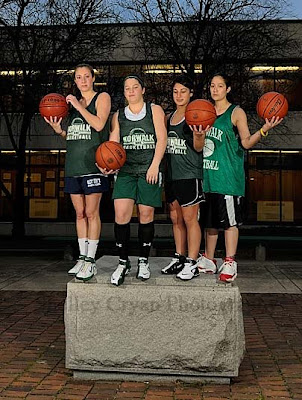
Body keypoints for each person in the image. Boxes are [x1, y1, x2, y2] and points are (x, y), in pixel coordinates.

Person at [194, 73, 283, 282]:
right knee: (210, 223)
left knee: (229, 223)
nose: (215, 89)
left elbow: (245, 143)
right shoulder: (204, 111)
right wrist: (198, 134)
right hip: (208, 177)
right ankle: (209, 259)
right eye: (212, 86)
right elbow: (198, 148)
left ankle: (230, 261)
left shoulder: (236, 112)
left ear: (228, 89)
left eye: (220, 86)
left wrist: (264, 130)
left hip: (228, 178)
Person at [45, 64, 111, 281]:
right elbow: (75, 135)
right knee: (80, 213)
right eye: (78, 77)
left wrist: (78, 105)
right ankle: (82, 258)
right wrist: (60, 131)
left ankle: (91, 260)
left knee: (92, 213)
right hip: (73, 165)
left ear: (93, 79)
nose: (82, 81)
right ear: (75, 81)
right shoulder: (71, 106)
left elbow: (99, 125)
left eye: (86, 77)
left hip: (93, 166)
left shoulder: (101, 98)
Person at [99, 74, 167, 286]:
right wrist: (107, 164)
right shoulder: (118, 115)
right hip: (126, 170)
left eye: (135, 87)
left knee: (146, 213)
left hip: (149, 168)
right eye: (127, 87)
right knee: (121, 214)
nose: (130, 91)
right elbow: (113, 143)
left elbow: (162, 138)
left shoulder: (154, 110)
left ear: (143, 90)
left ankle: (144, 261)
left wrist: (155, 165)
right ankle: (122, 262)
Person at [161, 75, 205, 281]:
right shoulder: (168, 118)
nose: (178, 95)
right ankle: (179, 257)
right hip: (172, 175)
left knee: (190, 219)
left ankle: (192, 262)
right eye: (175, 91)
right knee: (175, 218)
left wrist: (198, 135)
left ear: (191, 93)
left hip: (189, 174)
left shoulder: (196, 115)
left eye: (183, 91)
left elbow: (198, 147)